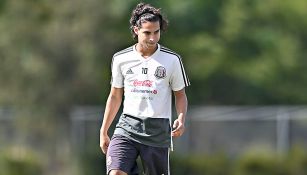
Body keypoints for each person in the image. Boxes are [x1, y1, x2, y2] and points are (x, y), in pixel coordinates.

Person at [100, 2, 190, 175]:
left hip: (157, 132)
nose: (152, 38)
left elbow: (180, 95)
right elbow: (115, 96)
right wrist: (103, 131)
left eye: (156, 32)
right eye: (147, 33)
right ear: (136, 30)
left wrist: (181, 118)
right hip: (127, 127)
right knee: (116, 173)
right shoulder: (121, 59)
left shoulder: (172, 60)